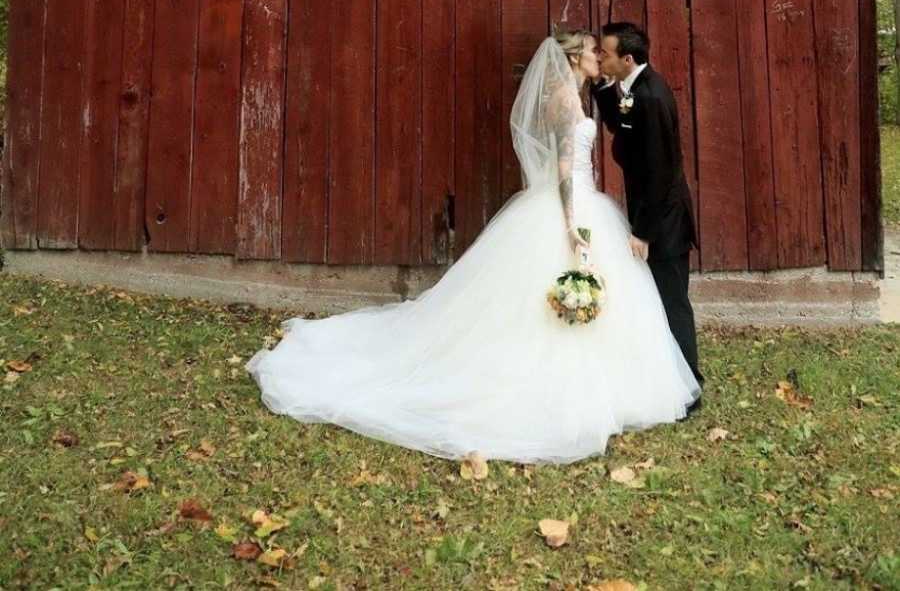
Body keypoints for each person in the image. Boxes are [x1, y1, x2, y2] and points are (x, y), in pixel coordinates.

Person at [246, 27, 700, 463]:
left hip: (588, 200)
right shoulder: (565, 100)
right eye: (590, 51)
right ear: (572, 60)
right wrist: (569, 223)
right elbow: (564, 169)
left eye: (601, 52)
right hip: (571, 205)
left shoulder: (587, 94)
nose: (597, 57)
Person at [592, 22, 703, 400]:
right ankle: (670, 378)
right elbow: (621, 128)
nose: (599, 57)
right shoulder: (634, 88)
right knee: (659, 299)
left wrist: (644, 232)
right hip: (655, 214)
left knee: (673, 302)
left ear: (627, 57)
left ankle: (690, 387)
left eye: (604, 53)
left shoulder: (652, 97)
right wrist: (604, 88)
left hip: (665, 221)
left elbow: (659, 172)